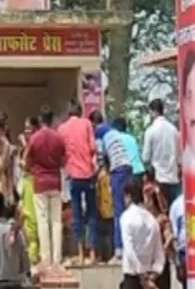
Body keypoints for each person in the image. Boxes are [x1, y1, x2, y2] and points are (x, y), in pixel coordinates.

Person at [24, 106, 67, 268]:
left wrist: (33, 169)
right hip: (55, 181)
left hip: (39, 183)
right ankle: (57, 258)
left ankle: (46, 258)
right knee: (56, 221)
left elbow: (27, 161)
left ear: (41, 120)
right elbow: (64, 160)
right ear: (52, 119)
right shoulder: (58, 138)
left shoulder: (35, 138)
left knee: (42, 220)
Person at [59, 102, 98, 265]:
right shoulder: (87, 124)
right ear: (81, 112)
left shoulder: (62, 129)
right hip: (88, 174)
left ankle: (81, 254)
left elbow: (61, 154)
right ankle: (93, 253)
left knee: (76, 215)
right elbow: (93, 148)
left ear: (69, 113)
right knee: (91, 214)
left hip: (73, 176)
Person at [101, 119, 137, 258]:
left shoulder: (101, 135)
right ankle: (130, 246)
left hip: (118, 172)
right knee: (130, 208)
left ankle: (119, 249)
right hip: (130, 171)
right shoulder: (120, 137)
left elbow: (103, 159)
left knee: (118, 210)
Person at [142, 99, 181, 206]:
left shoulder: (150, 131)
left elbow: (146, 157)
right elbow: (179, 156)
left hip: (158, 179)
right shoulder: (174, 130)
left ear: (153, 112)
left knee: (161, 215)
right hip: (173, 178)